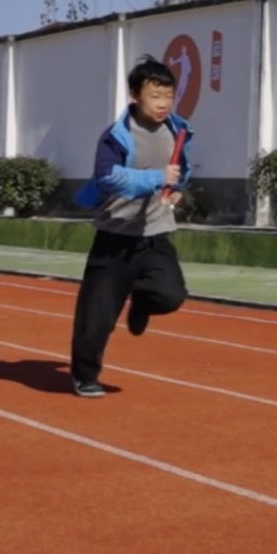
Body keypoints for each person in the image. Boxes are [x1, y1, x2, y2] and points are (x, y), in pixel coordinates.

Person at [65, 56, 194, 399]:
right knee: (97, 317)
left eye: (168, 96)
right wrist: (156, 179)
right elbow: (110, 177)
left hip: (154, 233)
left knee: (170, 295)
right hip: (115, 235)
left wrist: (176, 189)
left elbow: (179, 168)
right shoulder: (117, 136)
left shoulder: (176, 130)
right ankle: (85, 376)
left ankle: (142, 302)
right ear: (135, 96)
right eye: (156, 96)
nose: (163, 103)